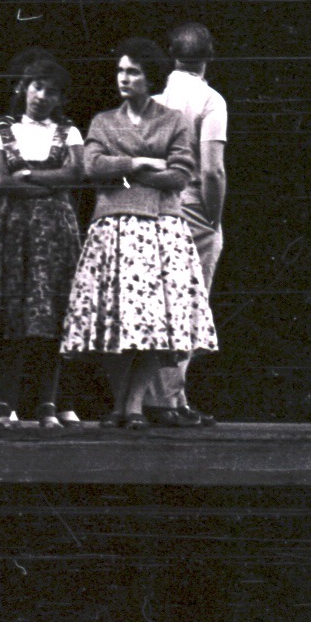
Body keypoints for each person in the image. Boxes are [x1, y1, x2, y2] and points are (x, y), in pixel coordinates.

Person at [61, 38, 218, 428]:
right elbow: (92, 166)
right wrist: (142, 161)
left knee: (155, 324)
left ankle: (131, 406)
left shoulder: (172, 120)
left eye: (133, 71)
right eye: (120, 70)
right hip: (112, 228)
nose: (124, 78)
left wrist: (127, 172)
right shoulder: (102, 121)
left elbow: (181, 173)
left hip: (161, 229)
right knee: (113, 321)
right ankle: (122, 405)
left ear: (150, 77)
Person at [0, 58, 85, 428]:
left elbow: (77, 173)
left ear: (60, 98)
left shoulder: (68, 132)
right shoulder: (3, 132)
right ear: (23, 87)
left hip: (57, 235)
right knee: (13, 315)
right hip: (16, 233)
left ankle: (48, 402)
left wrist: (29, 175)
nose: (42, 96)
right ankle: (3, 403)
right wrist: (48, 183)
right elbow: (1, 182)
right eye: (37, 86)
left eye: (52, 90)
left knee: (54, 315)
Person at [142, 22, 228, 428]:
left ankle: (163, 397)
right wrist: (213, 215)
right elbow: (212, 170)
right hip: (193, 207)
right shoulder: (211, 100)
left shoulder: (154, 100)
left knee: (159, 302)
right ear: (209, 56)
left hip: (155, 206)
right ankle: (168, 400)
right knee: (188, 306)